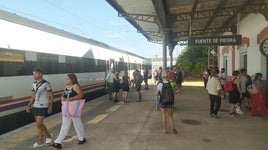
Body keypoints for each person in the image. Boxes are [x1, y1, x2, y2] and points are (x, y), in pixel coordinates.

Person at [52, 73, 86, 149]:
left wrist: (71, 99)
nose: (66, 80)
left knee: (77, 124)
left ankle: (81, 138)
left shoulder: (76, 86)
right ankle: (58, 142)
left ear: (72, 79)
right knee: (65, 125)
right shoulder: (66, 87)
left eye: (67, 79)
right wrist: (62, 98)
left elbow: (81, 95)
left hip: (73, 108)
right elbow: (63, 95)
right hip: (66, 108)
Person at [26, 67, 53, 148]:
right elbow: (33, 96)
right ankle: (40, 141)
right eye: (33, 73)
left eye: (36, 73)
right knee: (38, 125)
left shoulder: (46, 83)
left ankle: (48, 136)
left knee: (38, 123)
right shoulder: (34, 83)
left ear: (41, 74)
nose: (34, 75)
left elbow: (51, 95)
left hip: (44, 105)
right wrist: (29, 105)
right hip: (36, 105)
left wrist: (50, 106)